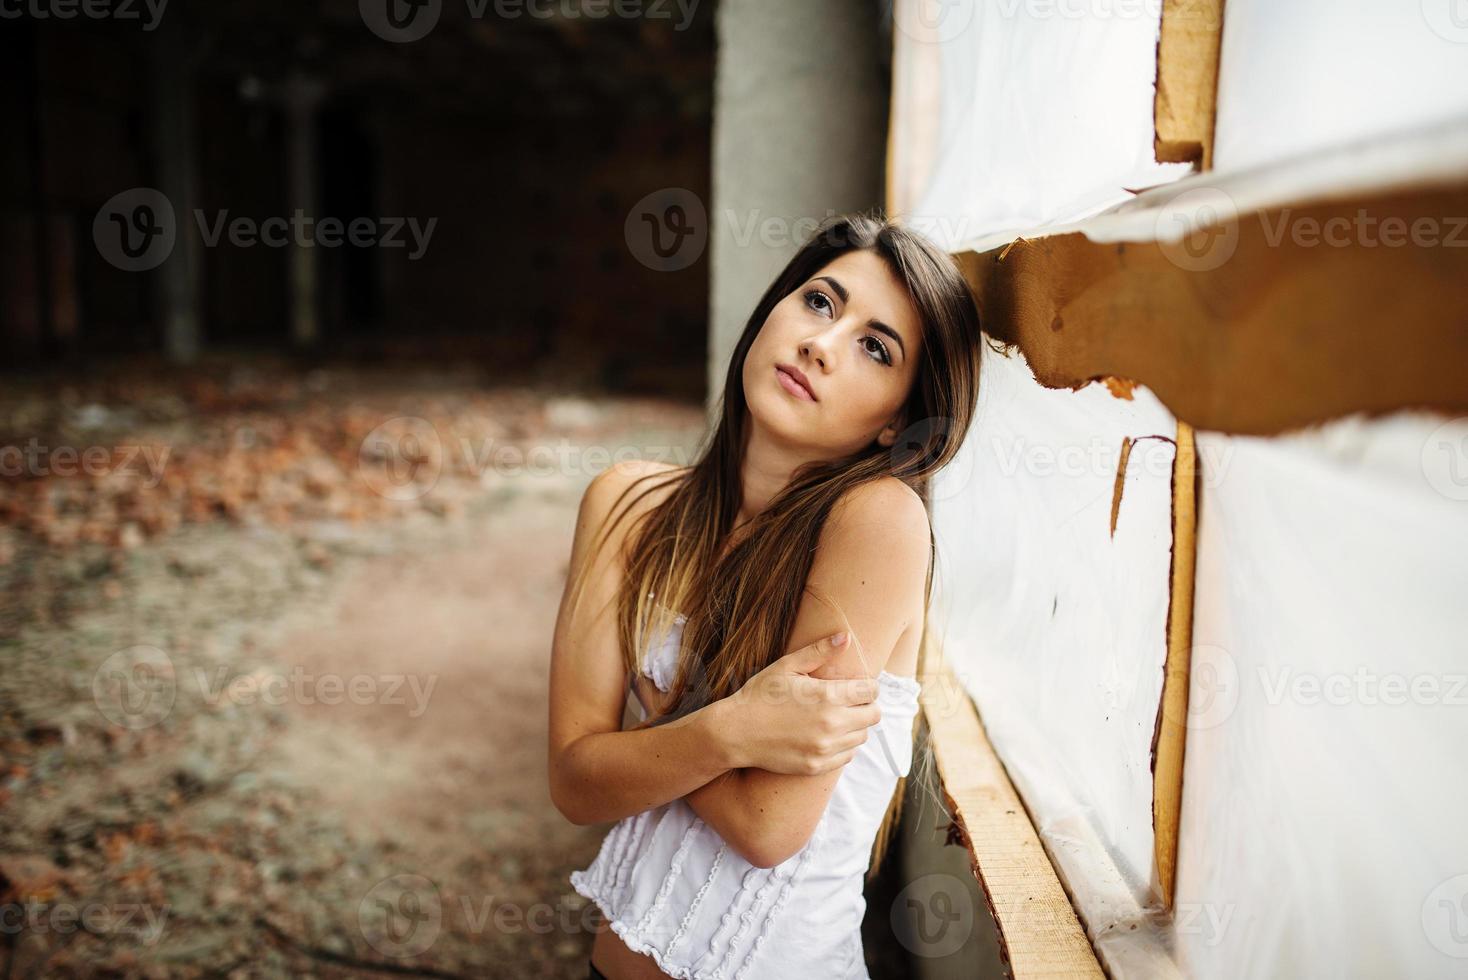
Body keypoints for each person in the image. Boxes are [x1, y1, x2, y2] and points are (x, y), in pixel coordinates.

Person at [548, 212, 984, 979]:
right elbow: (578, 783)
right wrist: (732, 731)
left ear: (896, 426)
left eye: (874, 348)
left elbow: (766, 823)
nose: (822, 343)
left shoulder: (880, 521)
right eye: (820, 302)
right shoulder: (627, 504)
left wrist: (667, 715)